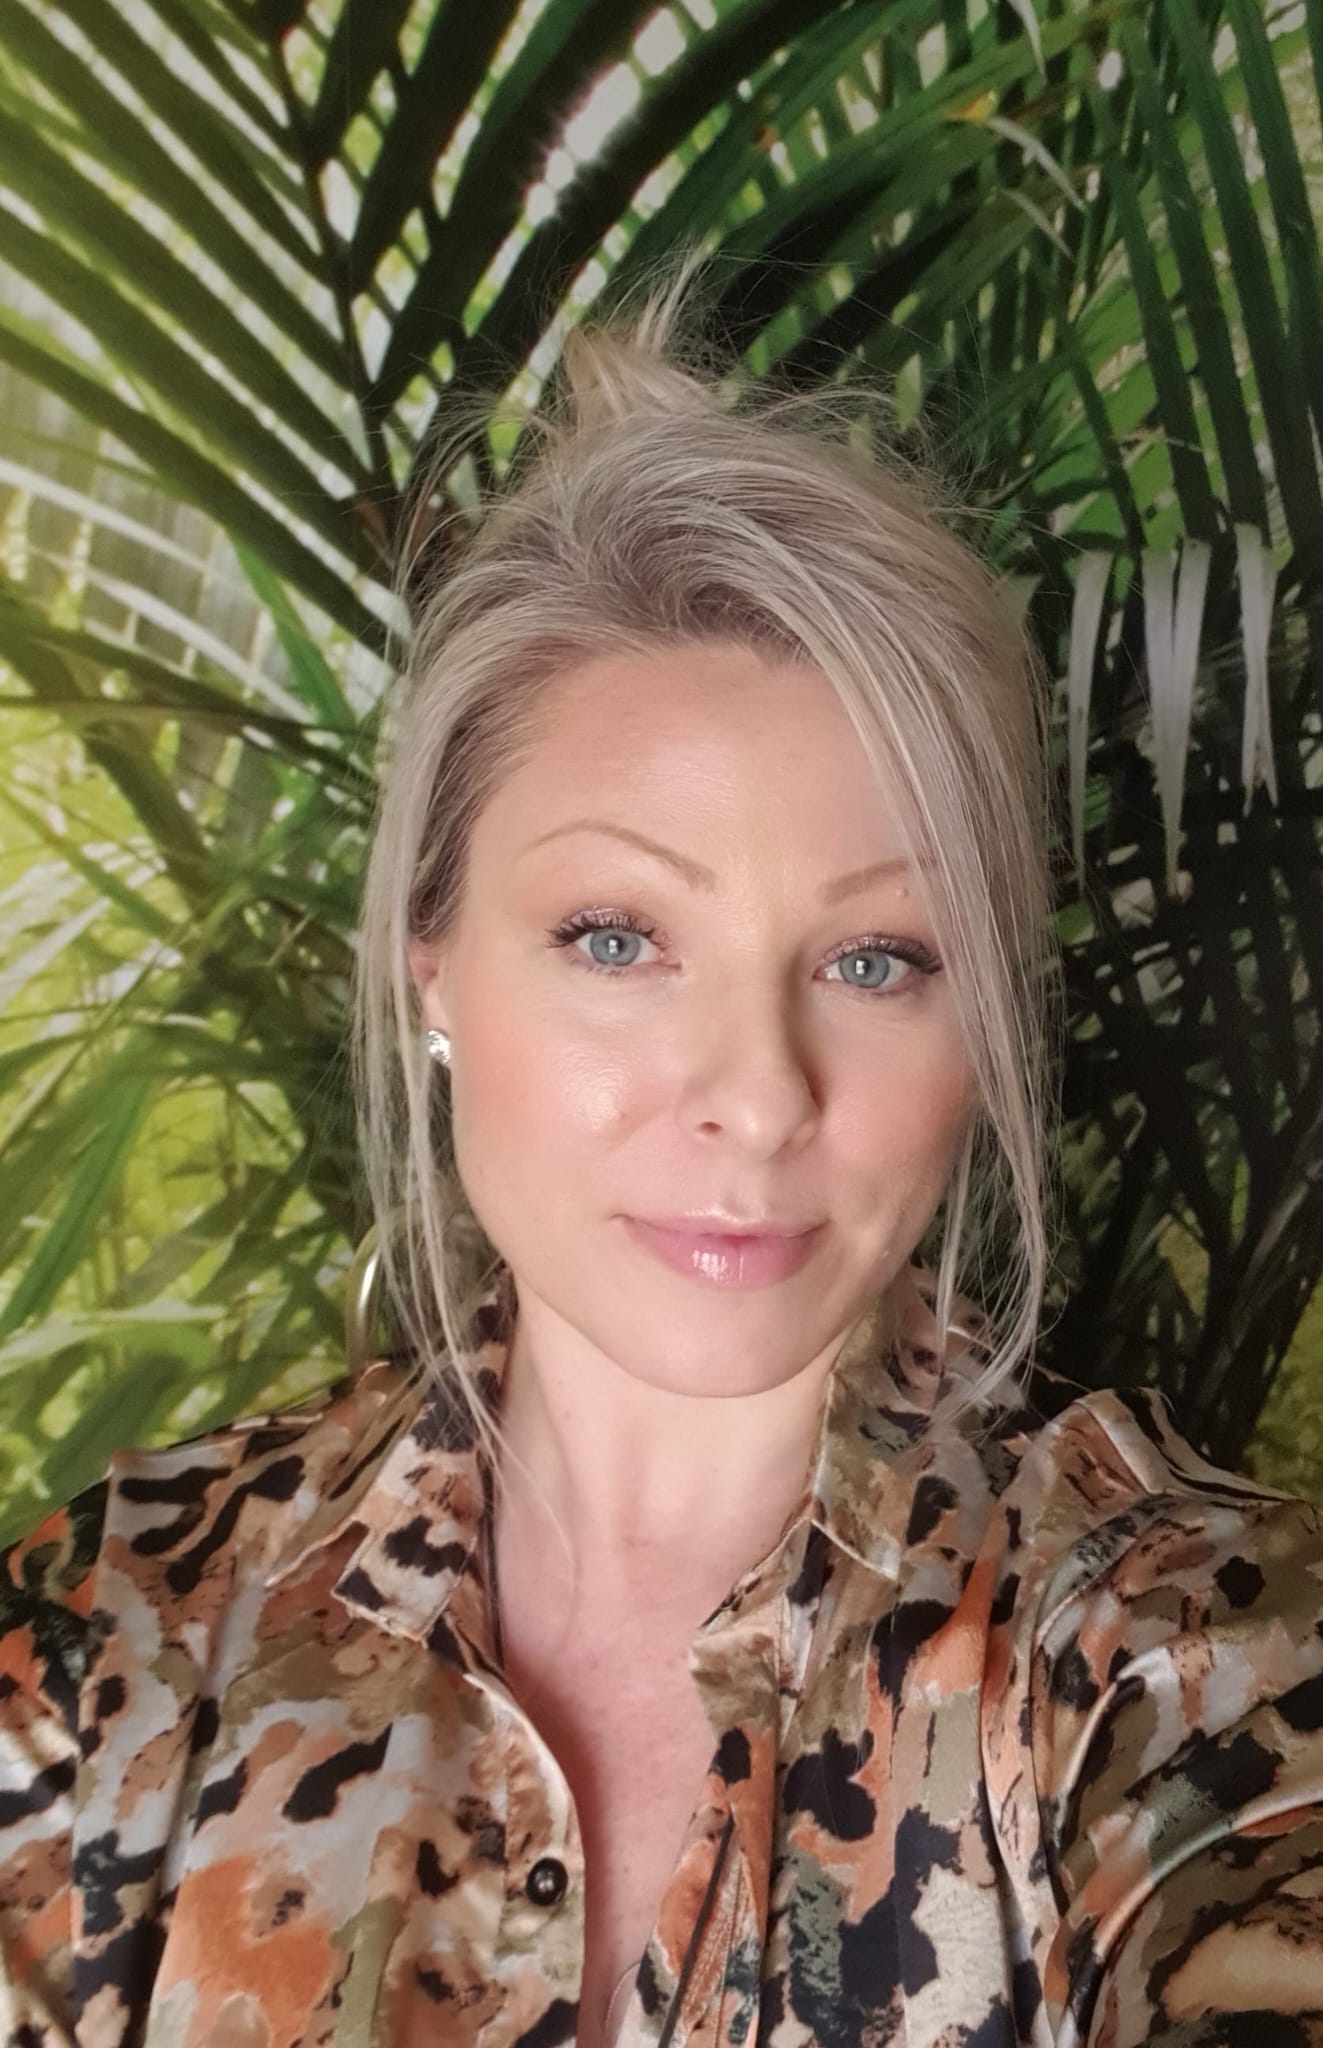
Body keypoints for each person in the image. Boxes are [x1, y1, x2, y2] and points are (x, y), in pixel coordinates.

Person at [3, 258, 1323, 2048]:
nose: (759, 1095)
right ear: (433, 967)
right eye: (618, 937)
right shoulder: (114, 1645)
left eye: (879, 959)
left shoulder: (1189, 1660)